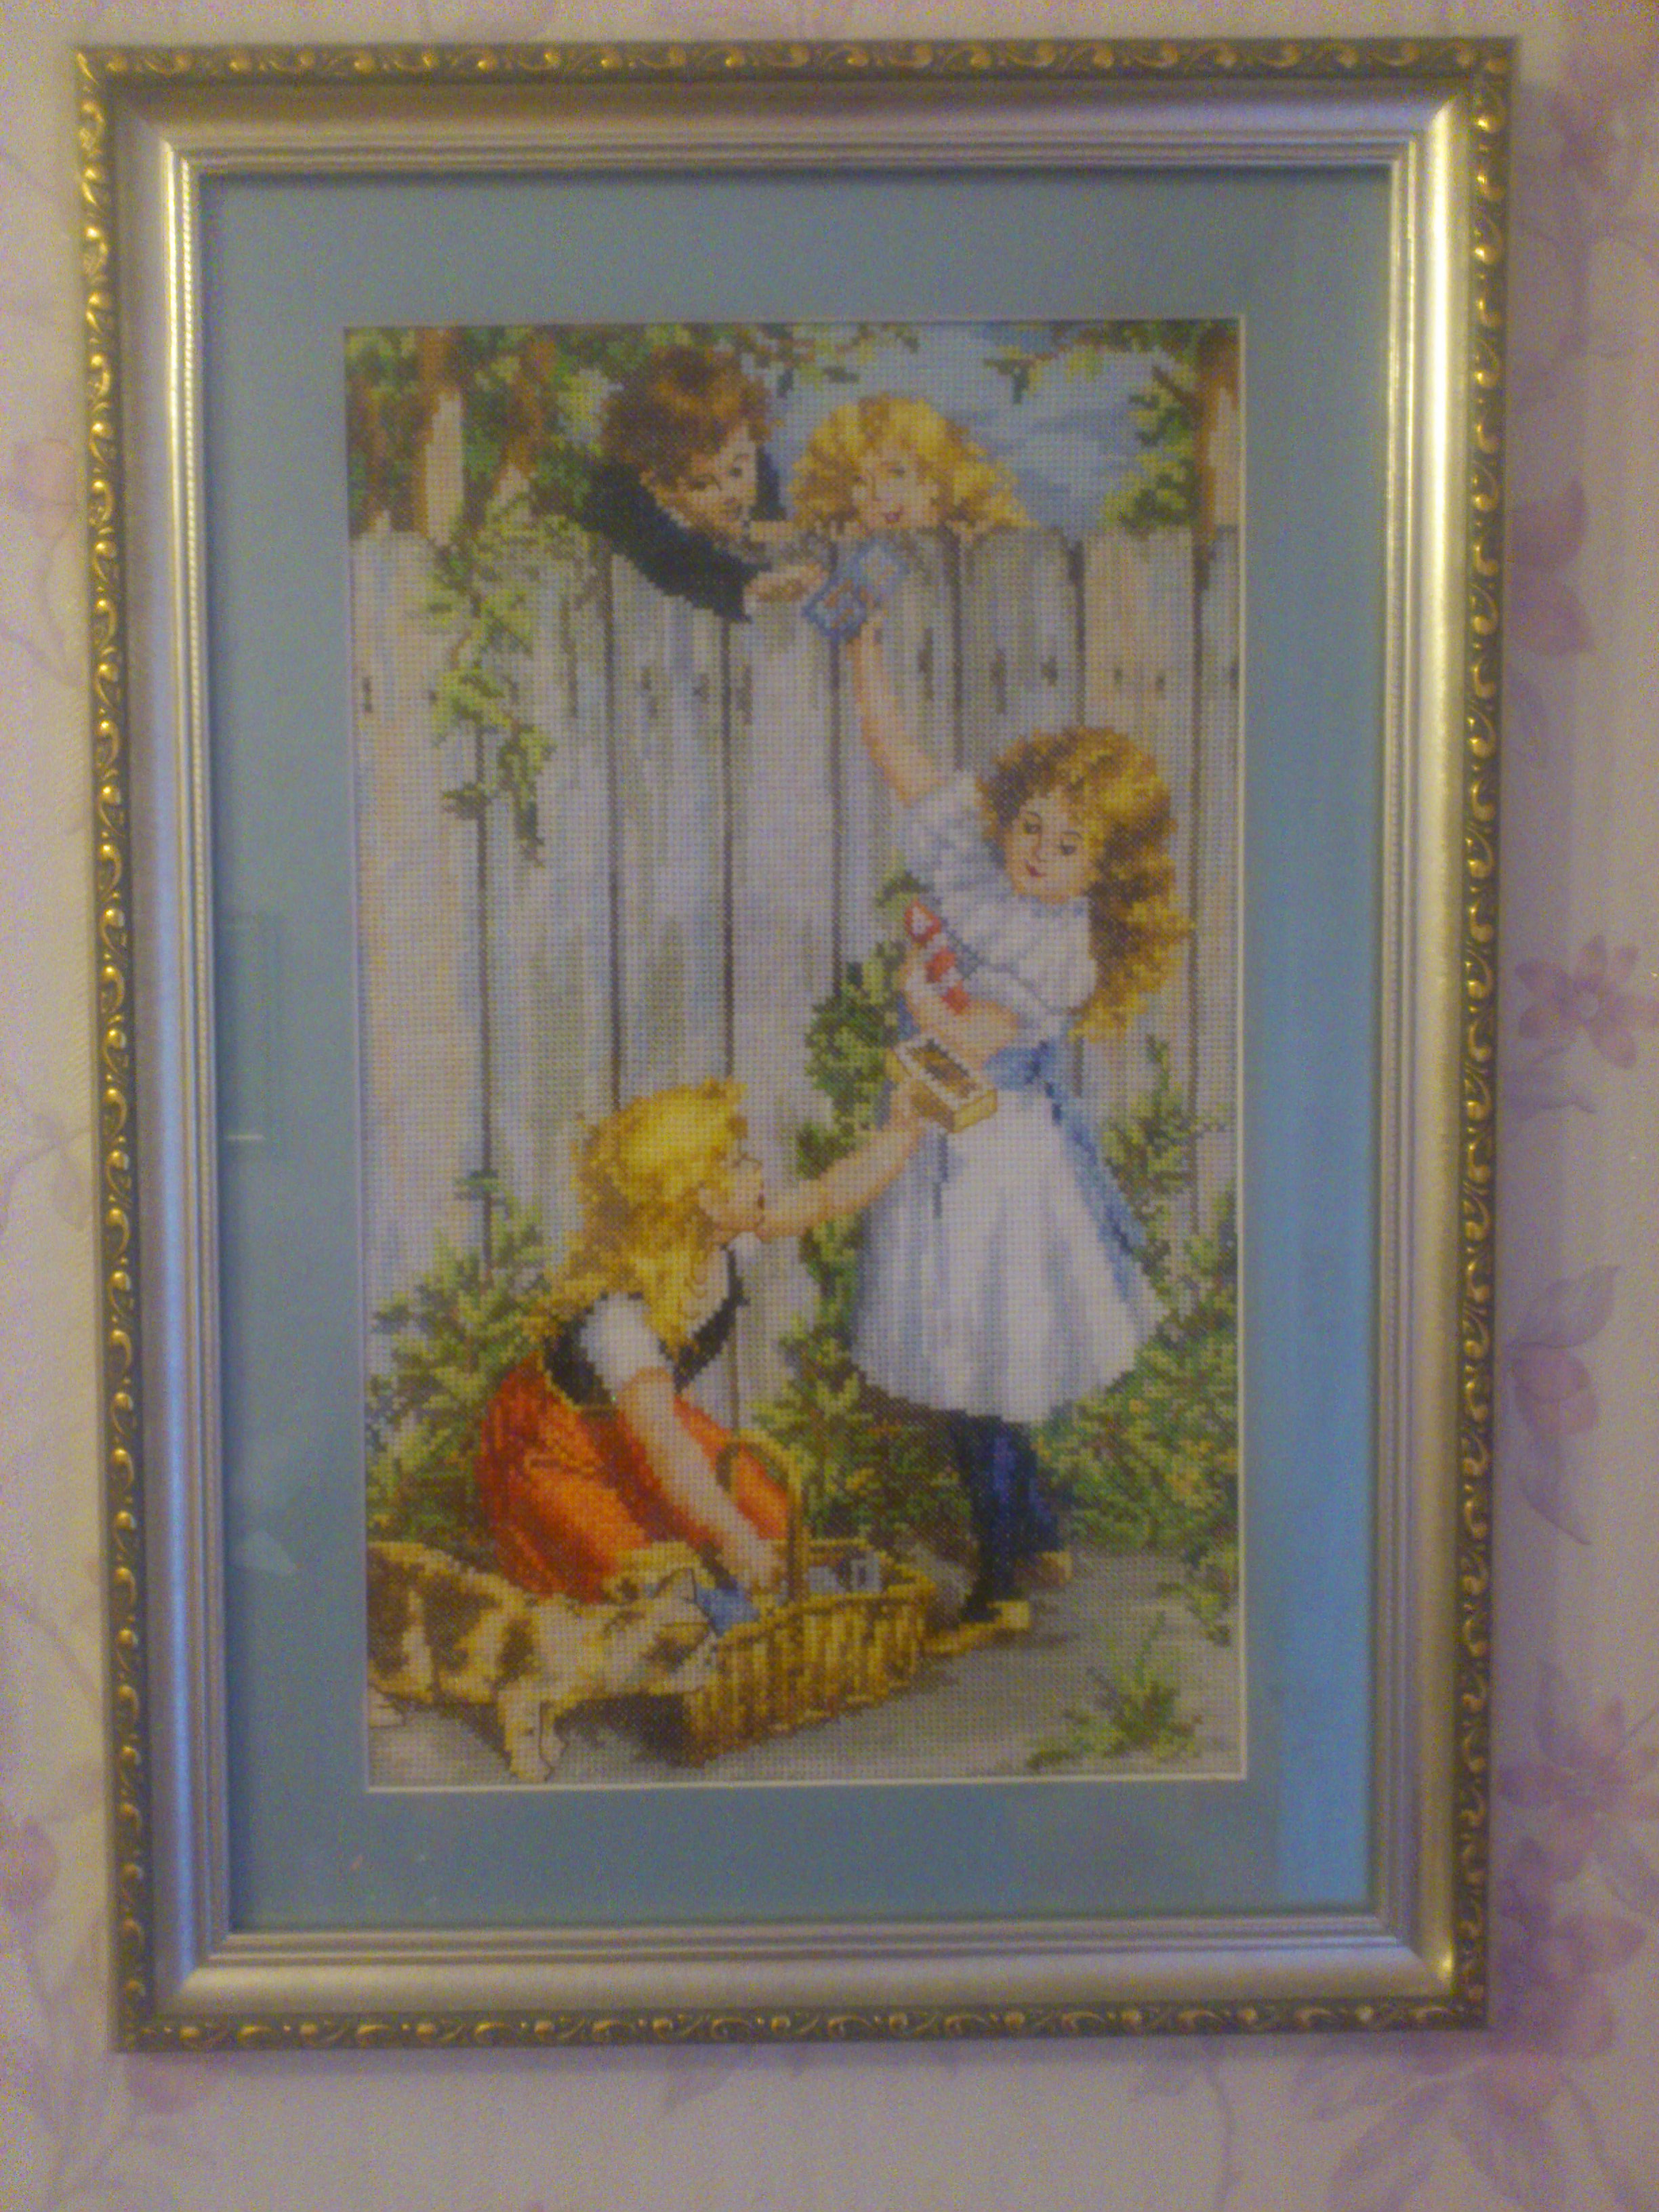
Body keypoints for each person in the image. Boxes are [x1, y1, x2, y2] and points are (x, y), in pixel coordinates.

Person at [844, 617, 1189, 1635]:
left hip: (999, 1163)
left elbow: (968, 1037)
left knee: (975, 1360)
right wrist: (865, 650)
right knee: (970, 1356)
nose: (1037, 852)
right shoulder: (979, 866)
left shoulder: (1060, 951)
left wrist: (920, 986)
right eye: (1031, 825)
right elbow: (895, 755)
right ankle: (1035, 1535)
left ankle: (1000, 1583)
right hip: (946, 1142)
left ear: (1103, 872)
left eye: (1067, 845)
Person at [476, 1078, 919, 1603]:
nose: (758, 1170)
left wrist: (902, 1133)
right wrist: (735, 1541)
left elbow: (825, 1196)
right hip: (559, 1444)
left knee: (768, 1519)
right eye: (739, 1163)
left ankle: (770, 1600)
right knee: (636, 1574)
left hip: (640, 1426)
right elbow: (666, 1446)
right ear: (701, 1198)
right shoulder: (620, 1316)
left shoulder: (726, 1241)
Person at [581, 345, 819, 620]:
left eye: (737, 471)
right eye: (703, 485)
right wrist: (753, 586)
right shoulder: (631, 511)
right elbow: (677, 562)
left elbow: (770, 524)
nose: (730, 493)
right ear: (658, 487)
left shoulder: (753, 466)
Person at [789, 393, 1030, 543]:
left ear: (936, 478)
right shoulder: (848, 558)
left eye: (895, 473)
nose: (877, 494)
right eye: (858, 481)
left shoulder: (993, 544)